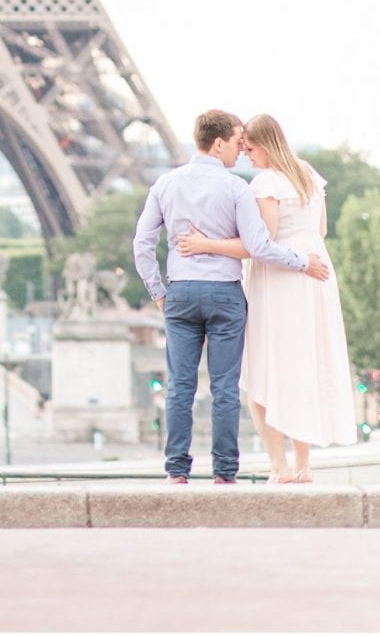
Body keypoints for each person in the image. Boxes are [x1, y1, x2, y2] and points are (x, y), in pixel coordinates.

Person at [132, 108, 330, 484]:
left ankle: (176, 470)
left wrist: (158, 290)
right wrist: (303, 261)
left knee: (180, 385)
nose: (241, 149)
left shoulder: (166, 184)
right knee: (224, 387)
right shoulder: (237, 187)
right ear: (218, 142)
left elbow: (142, 243)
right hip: (225, 294)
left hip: (182, 291)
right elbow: (259, 246)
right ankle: (224, 472)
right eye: (237, 142)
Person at [175, 112, 356, 480]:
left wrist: (204, 243)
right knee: (303, 363)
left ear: (266, 146)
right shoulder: (308, 174)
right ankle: (303, 466)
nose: (246, 155)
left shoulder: (266, 182)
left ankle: (278, 465)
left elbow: (262, 244)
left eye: (250, 147)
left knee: (262, 369)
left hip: (280, 278)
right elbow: (320, 228)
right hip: (316, 269)